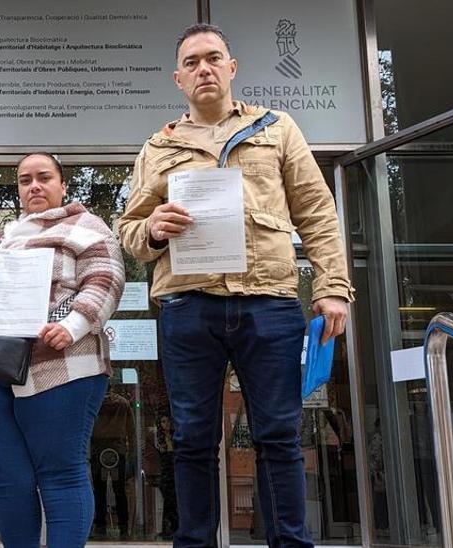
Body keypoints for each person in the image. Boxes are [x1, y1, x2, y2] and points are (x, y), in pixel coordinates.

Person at [117, 24, 354, 548]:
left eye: (213, 58)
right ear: (179, 79)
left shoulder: (277, 128)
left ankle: (289, 543)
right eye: (193, 62)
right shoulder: (159, 147)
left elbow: (316, 212)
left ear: (231, 67)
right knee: (194, 438)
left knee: (278, 435)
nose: (204, 68)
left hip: (268, 301)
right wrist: (153, 229)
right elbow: (129, 231)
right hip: (187, 305)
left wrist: (332, 286)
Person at [0, 152, 126, 548]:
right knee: (9, 481)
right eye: (24, 179)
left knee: (61, 474)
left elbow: (107, 278)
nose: (33, 185)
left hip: (63, 366)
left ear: (62, 185)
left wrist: (72, 326)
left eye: (43, 177)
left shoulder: (86, 226)